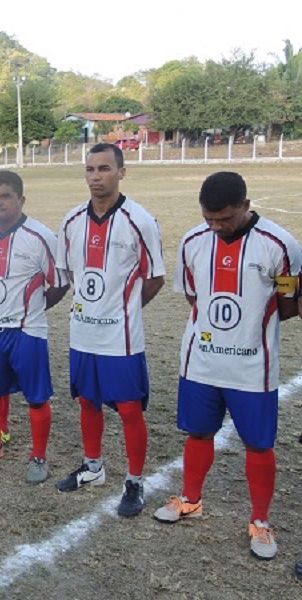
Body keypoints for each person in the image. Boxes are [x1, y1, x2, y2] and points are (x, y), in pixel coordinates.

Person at [153, 171, 301, 560]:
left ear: (246, 207)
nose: (217, 227)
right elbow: (193, 298)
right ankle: (190, 500)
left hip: (253, 366)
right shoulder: (191, 241)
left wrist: (249, 329)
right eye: (209, 219)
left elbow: (288, 306)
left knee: (258, 443)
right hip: (200, 362)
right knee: (198, 433)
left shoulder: (281, 244)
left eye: (226, 219)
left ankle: (261, 523)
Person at [55, 143, 165, 517]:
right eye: (90, 169)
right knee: (87, 401)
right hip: (82, 333)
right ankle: (93, 467)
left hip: (121, 336)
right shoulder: (71, 222)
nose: (96, 176)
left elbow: (155, 278)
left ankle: (134, 481)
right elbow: (70, 276)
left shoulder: (140, 221)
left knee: (130, 409)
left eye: (104, 168)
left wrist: (124, 309)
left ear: (121, 172)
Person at [0, 170, 68, 484]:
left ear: (21, 200)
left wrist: (33, 308)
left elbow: (59, 284)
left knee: (36, 397)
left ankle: (39, 456)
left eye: (5, 196)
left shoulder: (40, 236)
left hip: (27, 331)